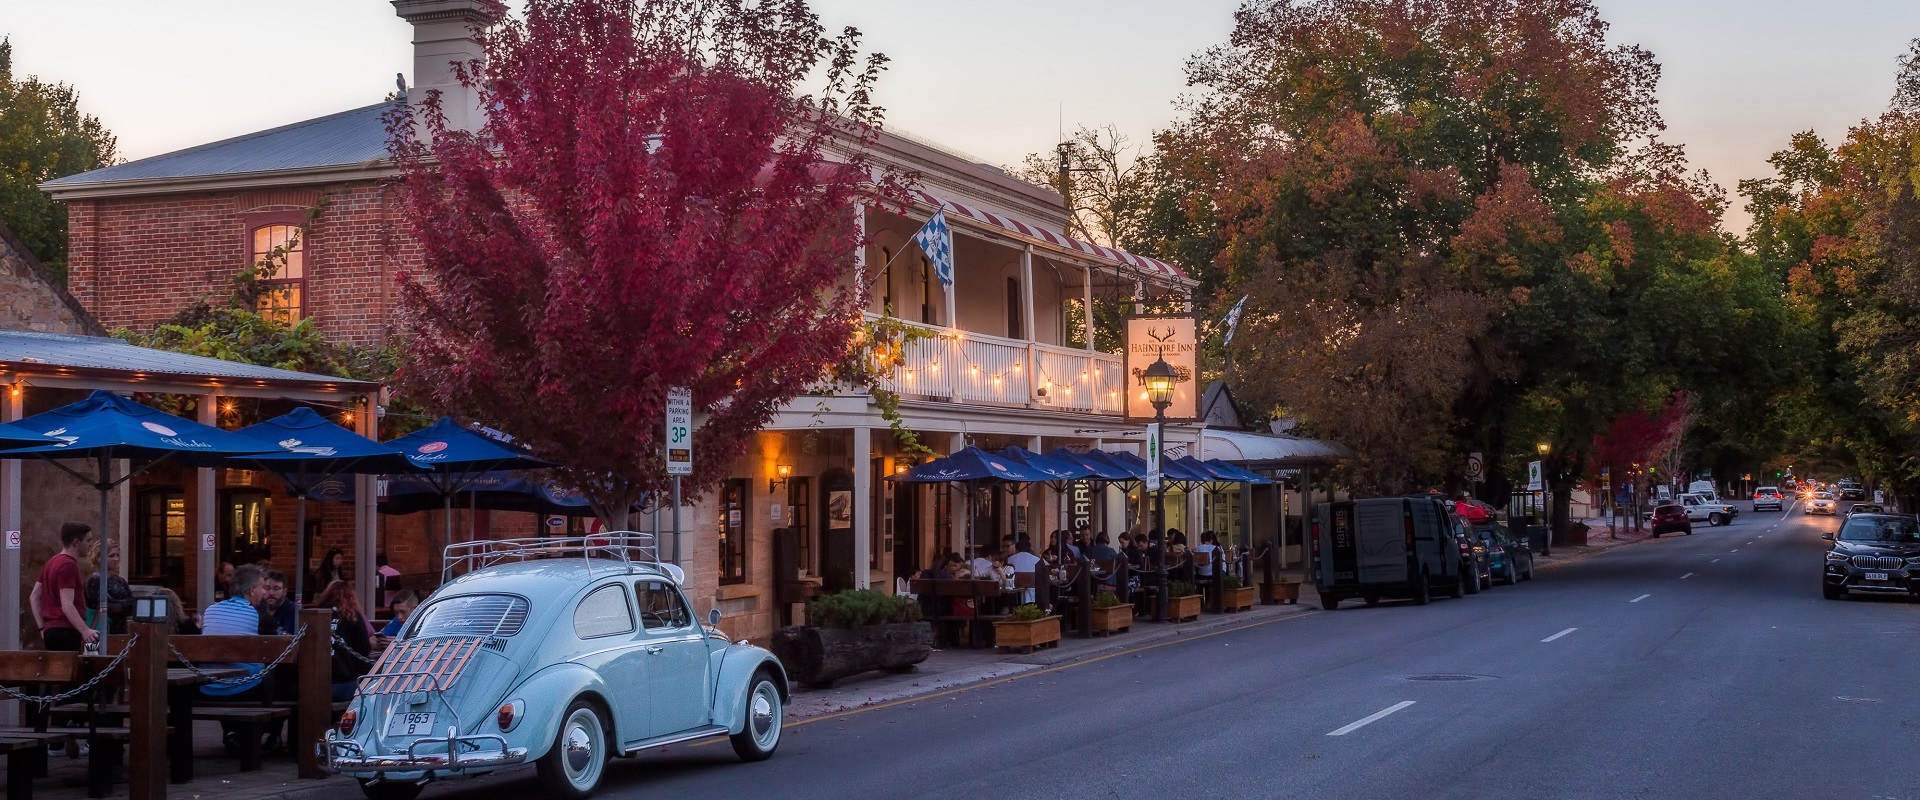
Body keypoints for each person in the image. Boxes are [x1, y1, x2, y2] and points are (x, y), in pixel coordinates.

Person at [31, 523, 97, 652]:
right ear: (76, 542)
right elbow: (67, 604)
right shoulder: (68, 565)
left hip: (52, 630)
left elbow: (34, 597)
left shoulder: (52, 562)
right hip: (65, 631)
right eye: (88, 540)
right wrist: (85, 630)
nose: (91, 545)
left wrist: (42, 628)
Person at [312, 580, 374, 702]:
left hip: (314, 683)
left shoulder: (316, 614)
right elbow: (364, 650)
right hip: (343, 682)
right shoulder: (353, 616)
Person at [84, 543, 134, 635]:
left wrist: (120, 605)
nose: (116, 559)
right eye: (111, 556)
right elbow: (104, 604)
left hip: (121, 629)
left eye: (117, 555)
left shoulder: (120, 581)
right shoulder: (94, 580)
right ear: (100, 558)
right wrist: (122, 605)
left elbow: (132, 605)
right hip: (103, 630)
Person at [262, 570, 298, 635]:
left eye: (276, 588)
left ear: (284, 592)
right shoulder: (258, 608)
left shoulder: (292, 610)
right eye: (267, 588)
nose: (271, 593)